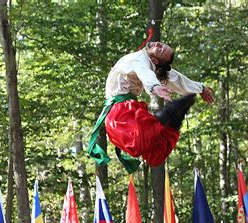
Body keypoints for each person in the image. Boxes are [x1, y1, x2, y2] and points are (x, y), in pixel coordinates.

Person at [89, 41, 214, 171]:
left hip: (121, 111)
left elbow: (171, 77)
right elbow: (149, 73)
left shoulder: (142, 61)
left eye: (161, 50)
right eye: (161, 45)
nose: (159, 45)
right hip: (125, 109)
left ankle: (167, 115)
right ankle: (174, 121)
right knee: (156, 156)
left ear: (155, 60)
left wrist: (200, 88)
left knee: (139, 145)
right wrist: (155, 86)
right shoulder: (139, 58)